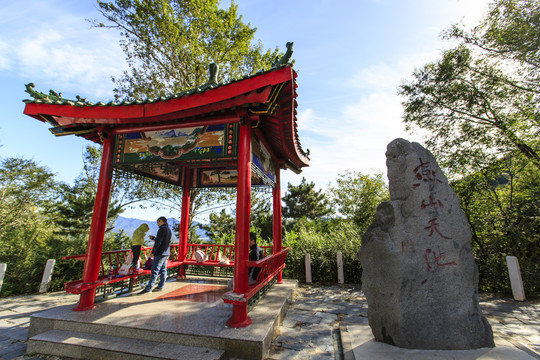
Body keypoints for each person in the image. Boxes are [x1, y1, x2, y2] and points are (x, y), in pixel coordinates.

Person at [139, 216, 171, 294]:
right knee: (163, 269)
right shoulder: (168, 229)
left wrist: (153, 252)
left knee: (155, 270)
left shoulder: (162, 229)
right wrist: (154, 238)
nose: (157, 224)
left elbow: (158, 242)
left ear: (160, 221)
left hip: (160, 253)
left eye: (157, 222)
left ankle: (149, 288)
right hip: (166, 253)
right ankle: (161, 285)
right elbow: (162, 240)